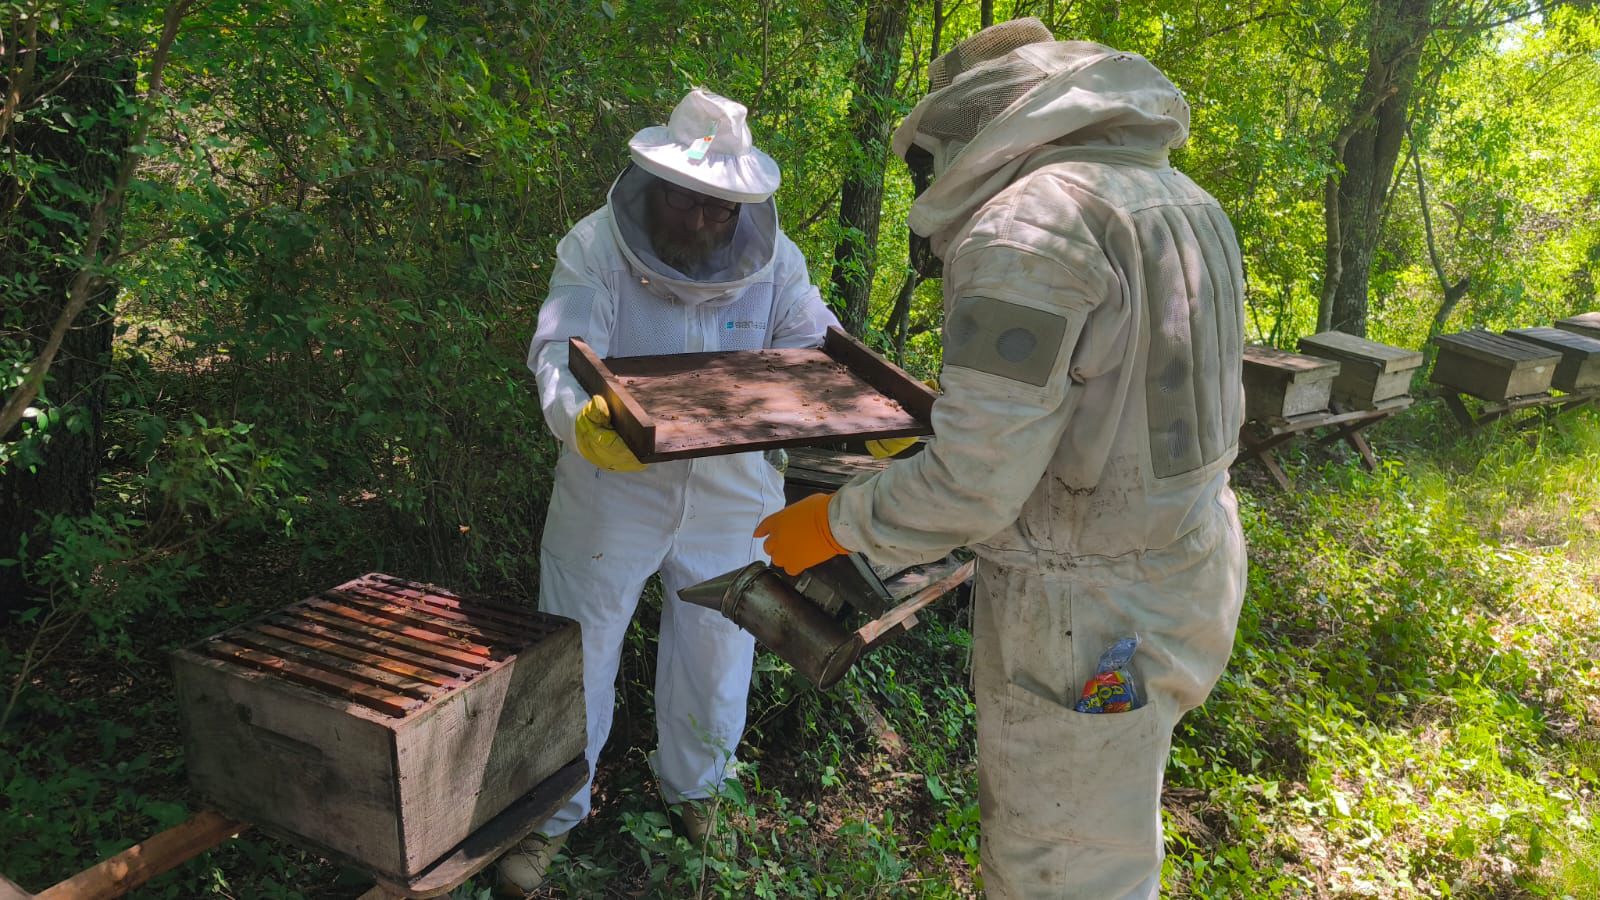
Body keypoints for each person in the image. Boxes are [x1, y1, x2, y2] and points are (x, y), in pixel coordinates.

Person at [753, 19, 1247, 900]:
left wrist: (832, 521)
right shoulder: (1179, 199)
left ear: (974, 122)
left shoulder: (1030, 229)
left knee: (1059, 861)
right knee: (1113, 822)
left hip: (1086, 629)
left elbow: (974, 488)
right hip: (1184, 576)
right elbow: (1108, 396)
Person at [500, 88, 840, 895]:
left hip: (733, 489)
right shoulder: (594, 247)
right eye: (689, 202)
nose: (701, 222)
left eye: (721, 209)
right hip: (612, 487)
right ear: (654, 185)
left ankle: (699, 794)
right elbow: (558, 351)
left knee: (721, 649)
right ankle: (549, 819)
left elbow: (812, 339)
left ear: (742, 206)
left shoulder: (776, 258)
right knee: (578, 648)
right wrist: (580, 418)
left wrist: (855, 401)